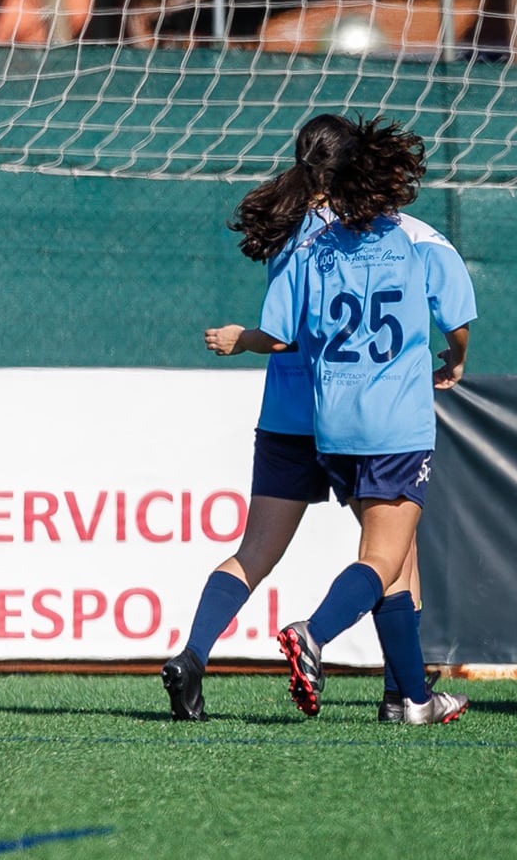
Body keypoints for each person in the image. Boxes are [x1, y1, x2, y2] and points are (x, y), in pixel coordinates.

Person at [266, 116, 477, 726]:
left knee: (397, 560)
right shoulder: (419, 239)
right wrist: (456, 358)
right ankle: (314, 633)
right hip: (395, 424)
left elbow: (283, 331)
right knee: (384, 558)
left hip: (334, 424)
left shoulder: (313, 243)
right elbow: (457, 321)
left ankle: (410, 698)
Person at [161, 114, 355, 722]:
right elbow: (279, 334)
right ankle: (406, 691)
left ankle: (192, 656)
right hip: (349, 413)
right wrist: (244, 338)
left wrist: (238, 336)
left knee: (253, 553)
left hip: (285, 417)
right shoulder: (362, 232)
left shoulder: (291, 227)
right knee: (394, 554)